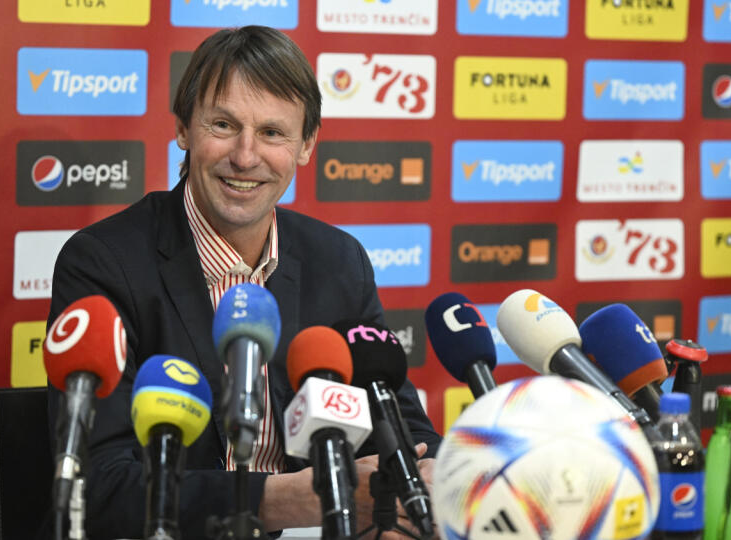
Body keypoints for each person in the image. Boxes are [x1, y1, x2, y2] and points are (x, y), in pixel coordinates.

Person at [46, 25, 441, 539]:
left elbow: (400, 426)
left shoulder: (339, 260)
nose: (246, 156)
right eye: (224, 124)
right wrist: (283, 500)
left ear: (306, 145)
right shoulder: (102, 263)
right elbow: (98, 484)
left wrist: (413, 493)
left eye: (273, 133)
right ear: (184, 130)